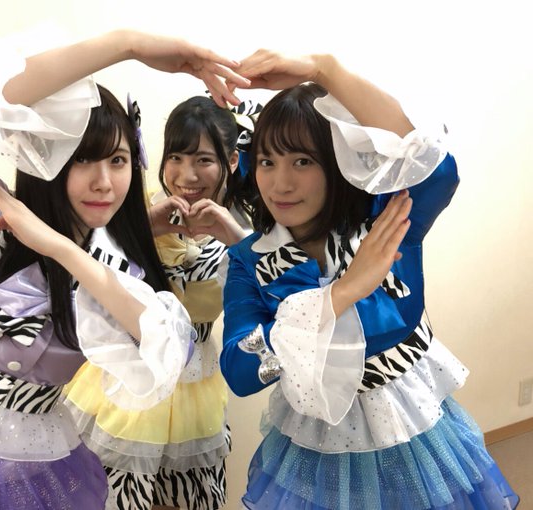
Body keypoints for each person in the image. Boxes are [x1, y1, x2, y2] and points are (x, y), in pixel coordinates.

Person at [0, 29, 248, 510]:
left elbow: (168, 346)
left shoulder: (112, 272)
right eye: (81, 158)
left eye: (118, 160)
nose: (104, 181)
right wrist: (126, 46)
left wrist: (60, 248)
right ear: (45, 154)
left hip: (37, 482)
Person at [220, 50, 519, 509]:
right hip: (315, 446)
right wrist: (339, 295)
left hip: (413, 432)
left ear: (336, 163)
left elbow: (435, 166)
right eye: (266, 162)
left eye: (302, 162)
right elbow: (239, 372)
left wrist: (326, 70)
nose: (280, 184)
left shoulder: (385, 223)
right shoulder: (249, 260)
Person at [63, 94, 256, 510]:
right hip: (127, 379)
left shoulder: (248, 230)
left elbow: (282, 303)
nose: (187, 175)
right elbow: (77, 269)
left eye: (203, 160)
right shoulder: (132, 209)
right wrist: (141, 228)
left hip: (196, 386)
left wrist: (235, 239)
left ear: (231, 161)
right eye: (176, 157)